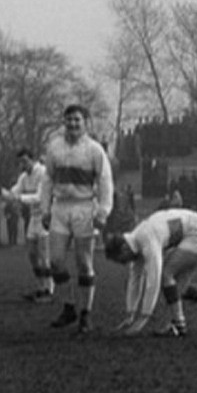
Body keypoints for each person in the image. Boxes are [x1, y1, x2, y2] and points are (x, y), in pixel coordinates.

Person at [102, 208, 197, 337]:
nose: (124, 263)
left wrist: (144, 317)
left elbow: (153, 280)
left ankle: (178, 325)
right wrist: (130, 313)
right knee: (177, 289)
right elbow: (135, 278)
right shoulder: (135, 241)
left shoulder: (146, 239)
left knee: (166, 275)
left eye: (121, 260)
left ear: (124, 248)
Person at [39, 104, 114, 332]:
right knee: (56, 261)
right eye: (69, 119)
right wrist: (45, 209)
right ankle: (69, 307)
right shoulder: (54, 147)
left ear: (85, 123)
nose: (72, 124)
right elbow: (47, 180)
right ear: (64, 122)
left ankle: (86, 313)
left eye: (77, 120)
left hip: (84, 208)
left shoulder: (94, 150)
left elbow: (105, 182)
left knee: (84, 263)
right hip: (60, 208)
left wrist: (103, 211)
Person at [1, 148, 53, 303]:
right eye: (20, 162)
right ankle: (40, 287)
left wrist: (19, 198)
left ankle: (48, 290)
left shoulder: (43, 173)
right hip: (33, 218)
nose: (22, 165)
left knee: (44, 256)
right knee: (32, 255)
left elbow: (39, 197)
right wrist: (5, 193)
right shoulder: (24, 177)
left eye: (24, 161)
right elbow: (15, 191)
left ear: (32, 159)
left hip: (45, 217)